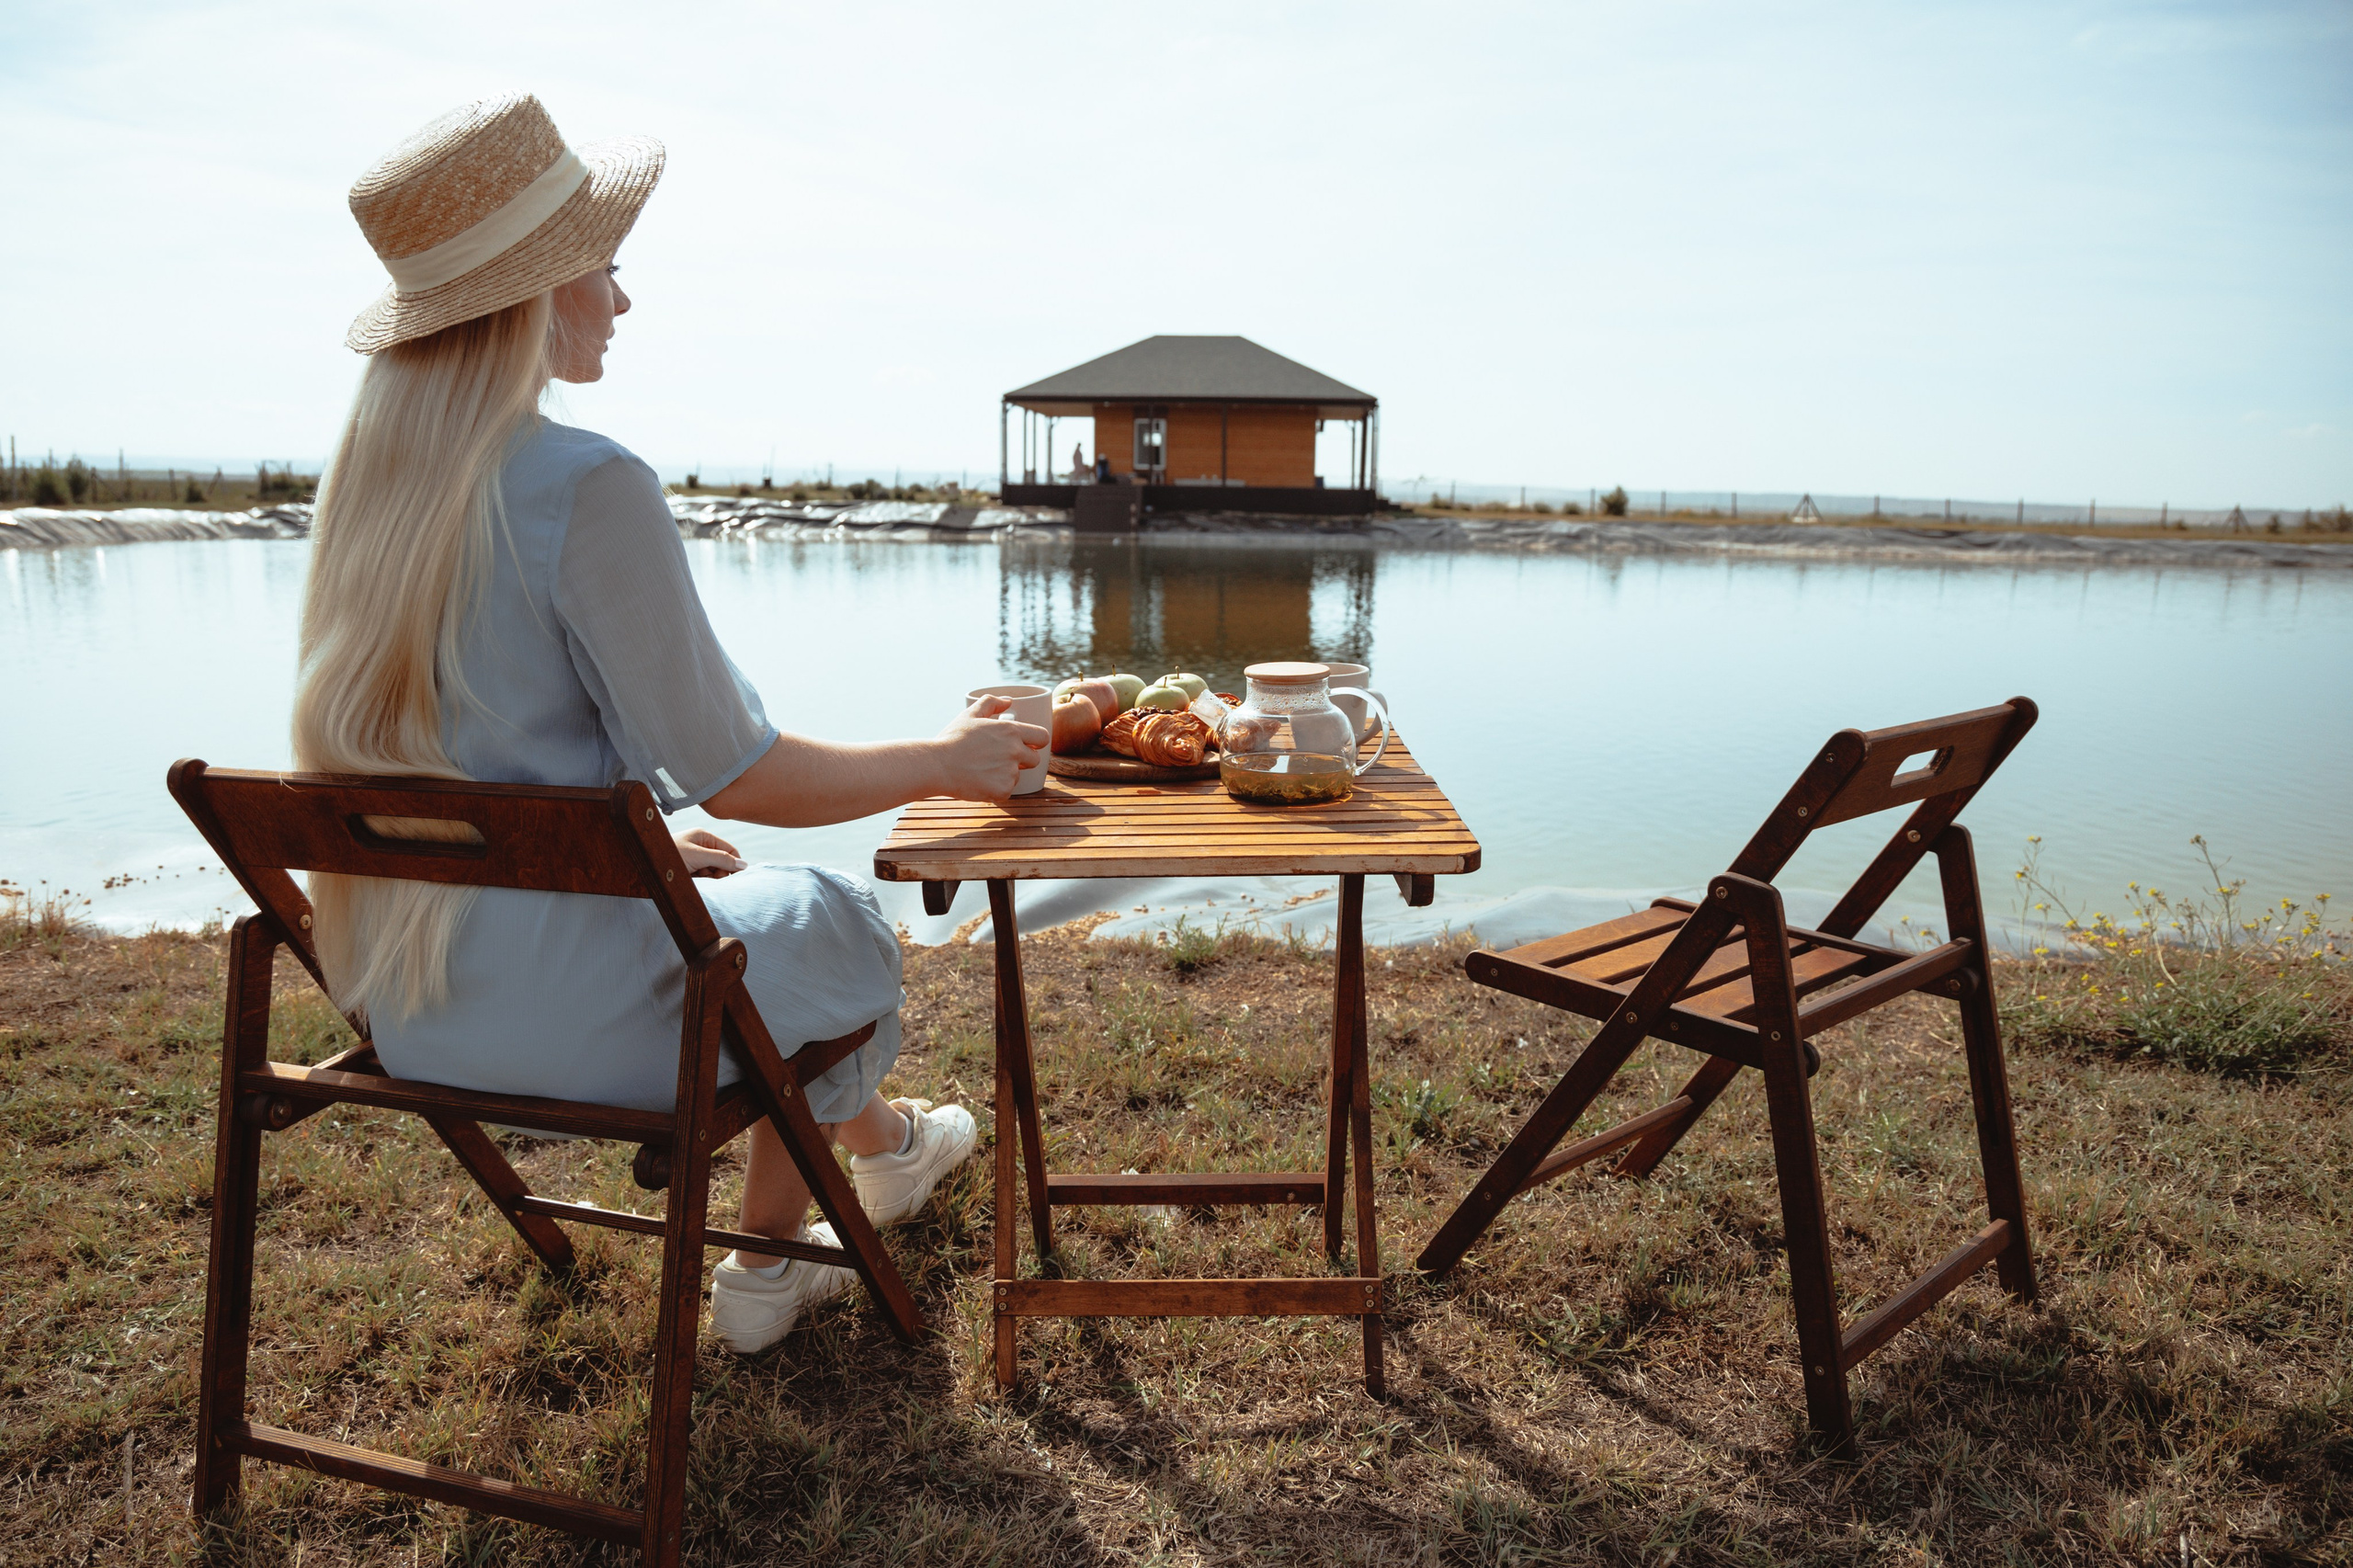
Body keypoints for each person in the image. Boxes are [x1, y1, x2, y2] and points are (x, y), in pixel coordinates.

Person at [296, 93, 1044, 1353]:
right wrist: (947, 757)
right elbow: (737, 771)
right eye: (609, 266)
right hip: (586, 1029)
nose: (623, 300)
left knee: (744, 913)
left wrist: (626, 851)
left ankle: (896, 1152)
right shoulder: (588, 486)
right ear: (536, 292)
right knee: (835, 919)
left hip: (417, 1009)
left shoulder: (374, 495)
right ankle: (765, 1265)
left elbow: (475, 753)